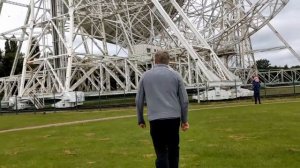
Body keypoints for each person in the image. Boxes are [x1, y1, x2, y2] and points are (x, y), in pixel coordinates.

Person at [136, 50, 189, 168]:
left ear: (155, 60)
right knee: (173, 151)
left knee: (161, 152)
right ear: (168, 61)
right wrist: (184, 120)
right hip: (173, 119)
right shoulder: (176, 75)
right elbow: (184, 100)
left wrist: (140, 119)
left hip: (155, 120)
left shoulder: (145, 76)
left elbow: (139, 100)